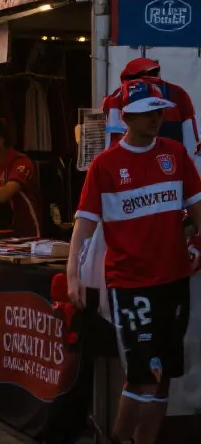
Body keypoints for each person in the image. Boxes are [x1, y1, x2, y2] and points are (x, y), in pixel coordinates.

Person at [68, 80, 201, 444]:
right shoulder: (105, 165)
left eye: (158, 110)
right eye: (145, 113)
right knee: (143, 375)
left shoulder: (174, 154)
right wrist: (72, 275)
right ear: (125, 117)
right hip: (131, 284)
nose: (155, 118)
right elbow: (83, 226)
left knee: (166, 372)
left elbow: (196, 208)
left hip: (173, 280)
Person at [102, 58, 201, 154]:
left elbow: (112, 138)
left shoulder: (117, 95)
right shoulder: (177, 92)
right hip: (167, 162)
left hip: (137, 161)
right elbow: (191, 140)